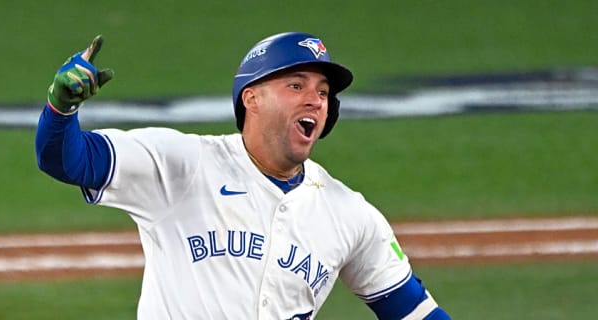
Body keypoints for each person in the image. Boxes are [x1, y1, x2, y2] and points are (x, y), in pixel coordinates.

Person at [35, 32, 451, 320]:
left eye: (323, 93)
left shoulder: (350, 214)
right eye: (296, 85)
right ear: (251, 97)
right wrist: (61, 108)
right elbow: (67, 161)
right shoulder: (184, 163)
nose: (316, 100)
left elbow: (412, 311)